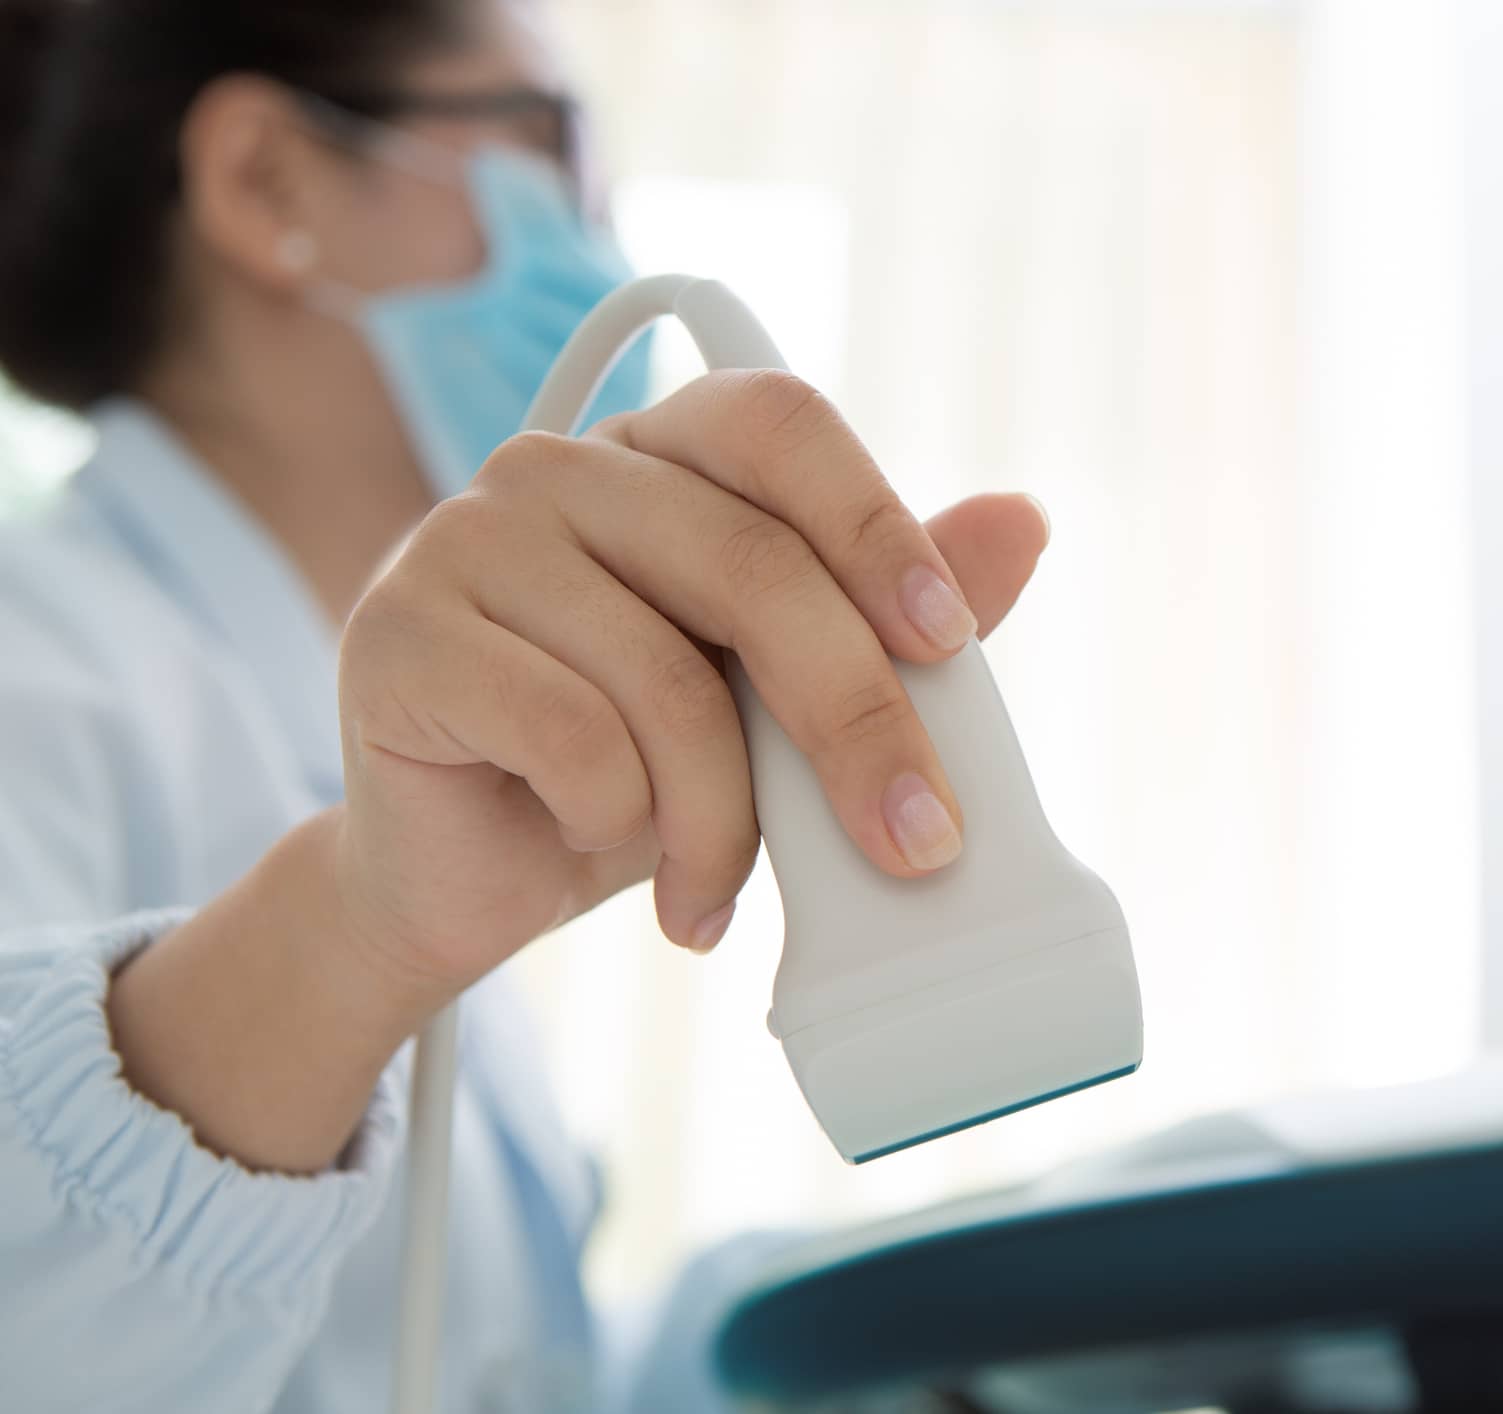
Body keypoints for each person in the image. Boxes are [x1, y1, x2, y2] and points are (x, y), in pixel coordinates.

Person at [0, 0, 1051, 1409]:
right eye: (549, 140)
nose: (596, 227)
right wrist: (354, 926)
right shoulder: (39, 674)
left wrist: (978, 1310)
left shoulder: (420, 732)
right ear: (268, 182)